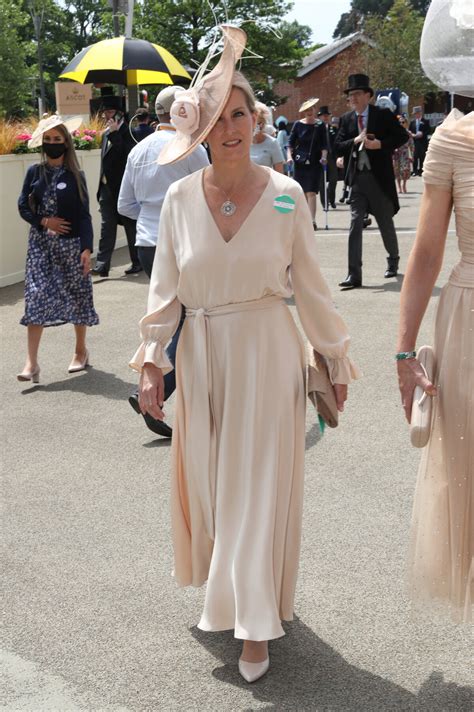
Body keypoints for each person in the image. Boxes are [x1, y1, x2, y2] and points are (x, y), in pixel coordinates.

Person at [130, 25, 359, 683]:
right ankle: (236, 593)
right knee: (216, 493)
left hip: (268, 358)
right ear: (196, 126)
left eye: (240, 113)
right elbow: (164, 292)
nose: (230, 126)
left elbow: (313, 291)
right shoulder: (177, 200)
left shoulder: (286, 194)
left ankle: (255, 628)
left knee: (254, 494)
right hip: (201, 358)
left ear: (256, 121)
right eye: (217, 115)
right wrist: (152, 364)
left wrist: (335, 360)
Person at [397, 0, 473, 624]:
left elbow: (424, 257)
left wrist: (403, 350)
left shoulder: (451, 138)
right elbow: (421, 256)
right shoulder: (449, 139)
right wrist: (402, 350)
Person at [118, 85, 209, 438]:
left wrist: (153, 214)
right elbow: (210, 191)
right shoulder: (191, 147)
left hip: (147, 242)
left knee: (168, 318)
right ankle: (157, 390)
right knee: (188, 320)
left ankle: (158, 386)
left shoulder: (138, 150)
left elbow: (124, 205)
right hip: (184, 241)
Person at [17, 115, 99, 382]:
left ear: (66, 143)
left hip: (71, 245)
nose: (52, 144)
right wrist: (43, 221)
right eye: (48, 140)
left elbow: (85, 215)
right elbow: (22, 206)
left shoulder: (76, 175)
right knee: (36, 296)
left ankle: (80, 351)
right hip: (41, 246)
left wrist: (87, 249)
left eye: (58, 140)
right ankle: (31, 363)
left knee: (77, 296)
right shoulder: (34, 172)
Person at [334, 73, 409, 289]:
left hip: (379, 180)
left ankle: (393, 259)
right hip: (357, 180)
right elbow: (337, 145)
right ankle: (354, 274)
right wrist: (353, 142)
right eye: (350, 96)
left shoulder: (382, 115)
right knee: (355, 223)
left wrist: (381, 145)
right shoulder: (347, 119)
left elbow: (402, 136)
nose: (353, 99)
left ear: (368, 95)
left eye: (357, 94)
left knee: (385, 222)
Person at [91, 95, 142, 278]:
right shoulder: (106, 134)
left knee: (130, 226)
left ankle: (138, 261)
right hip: (106, 189)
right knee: (107, 227)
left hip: (124, 189)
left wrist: (114, 134)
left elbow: (127, 155)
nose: (107, 116)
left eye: (111, 112)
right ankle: (102, 265)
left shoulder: (130, 132)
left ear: (120, 114)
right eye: (105, 112)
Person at [287, 98, 328, 230]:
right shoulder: (298, 125)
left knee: (311, 192)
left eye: (311, 109)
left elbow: (324, 144)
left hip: (315, 162)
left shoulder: (320, 125)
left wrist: (324, 157)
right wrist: (289, 157)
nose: (309, 112)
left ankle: (312, 220)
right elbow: (290, 144)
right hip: (300, 162)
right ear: (303, 112)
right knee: (302, 192)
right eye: (306, 110)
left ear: (315, 110)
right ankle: (303, 219)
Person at [250, 104, 284, 172]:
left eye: (256, 122)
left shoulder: (272, 143)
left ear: (262, 124)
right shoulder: (243, 143)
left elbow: (279, 172)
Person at [317, 106, 338, 210]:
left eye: (327, 115)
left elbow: (338, 142)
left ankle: (332, 199)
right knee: (321, 181)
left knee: (334, 178)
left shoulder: (333, 129)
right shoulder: (316, 129)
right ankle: (325, 203)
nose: (325, 117)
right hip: (320, 156)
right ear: (319, 117)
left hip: (331, 156)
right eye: (323, 116)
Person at [393, 116, 414, 193]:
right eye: (400, 122)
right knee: (397, 170)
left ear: (406, 123)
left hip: (405, 154)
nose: (401, 124)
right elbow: (390, 143)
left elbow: (412, 145)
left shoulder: (408, 133)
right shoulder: (395, 133)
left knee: (405, 170)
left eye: (403, 122)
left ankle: (404, 185)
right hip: (396, 154)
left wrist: (412, 155)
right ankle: (399, 187)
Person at [409, 106, 430, 176]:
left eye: (416, 113)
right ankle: (415, 170)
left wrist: (422, 134)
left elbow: (428, 131)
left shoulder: (425, 121)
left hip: (422, 142)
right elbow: (410, 131)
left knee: (422, 156)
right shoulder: (412, 122)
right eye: (414, 114)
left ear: (420, 113)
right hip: (415, 142)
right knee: (415, 156)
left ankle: (421, 170)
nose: (415, 115)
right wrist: (412, 134)